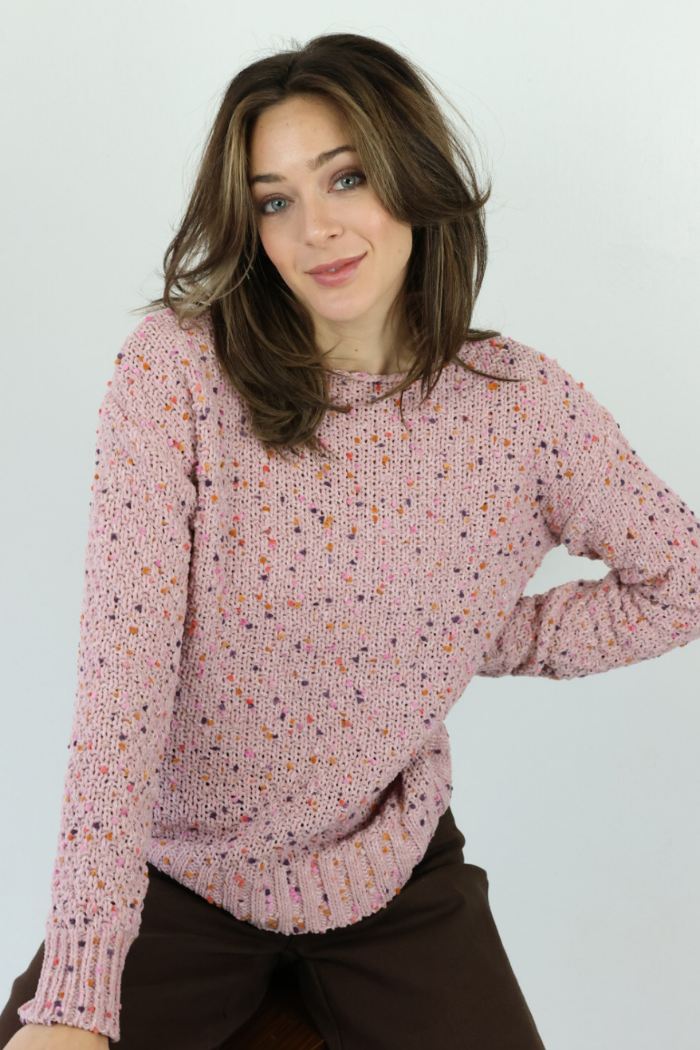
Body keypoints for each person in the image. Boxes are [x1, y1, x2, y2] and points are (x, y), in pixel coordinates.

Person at [2, 30, 699, 1050]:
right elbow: (122, 689)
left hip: (390, 870)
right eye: (274, 200)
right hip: (179, 873)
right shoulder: (175, 374)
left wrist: (465, 633)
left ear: (411, 176)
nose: (316, 229)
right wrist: (76, 992)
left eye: (346, 177)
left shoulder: (523, 407)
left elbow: (681, 578)